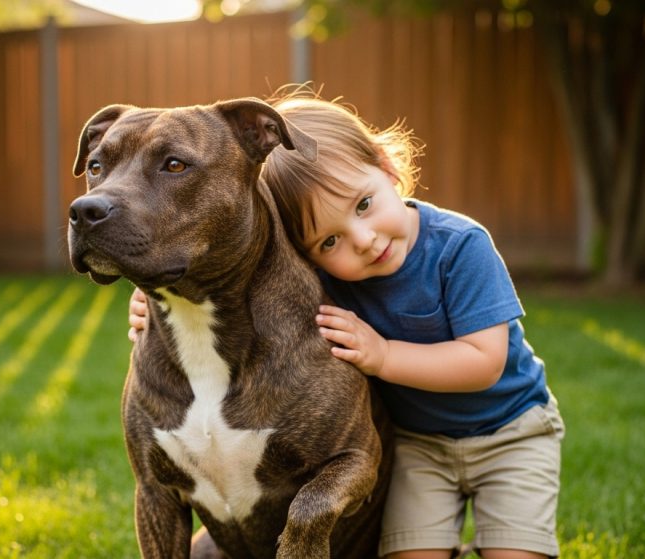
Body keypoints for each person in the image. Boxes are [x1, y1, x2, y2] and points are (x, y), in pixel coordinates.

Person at [128, 88, 564, 559]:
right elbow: (253, 267)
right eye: (329, 240)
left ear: (387, 167)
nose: (363, 239)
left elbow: (485, 362)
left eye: (364, 204)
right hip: (421, 445)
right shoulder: (325, 278)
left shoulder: (461, 247)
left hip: (510, 433)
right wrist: (152, 295)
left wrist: (384, 356)